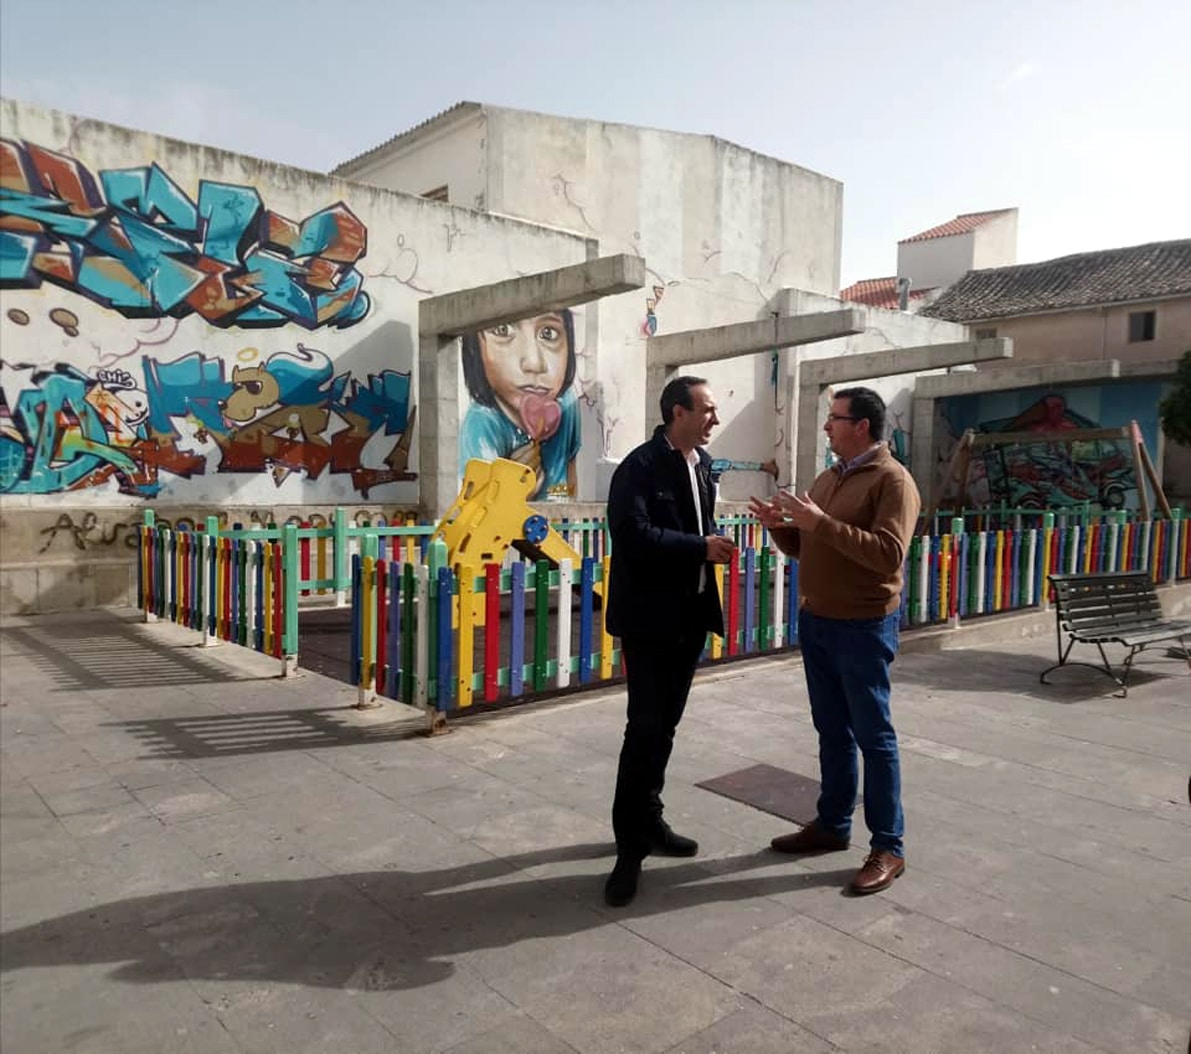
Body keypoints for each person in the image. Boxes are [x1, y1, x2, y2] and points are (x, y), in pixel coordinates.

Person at [749, 386, 920, 895]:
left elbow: (888, 554)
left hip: (863, 626)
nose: (827, 427)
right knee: (831, 730)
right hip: (819, 621)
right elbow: (809, 545)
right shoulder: (830, 477)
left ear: (862, 426)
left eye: (834, 419)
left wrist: (820, 522)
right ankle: (832, 824)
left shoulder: (893, 482)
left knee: (874, 736)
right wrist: (780, 529)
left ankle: (889, 845)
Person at [603, 375, 736, 907]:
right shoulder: (639, 467)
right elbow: (631, 537)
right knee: (645, 730)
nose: (714, 419)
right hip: (648, 621)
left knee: (666, 729)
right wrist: (700, 548)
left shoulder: (702, 467)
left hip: (688, 618)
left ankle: (650, 820)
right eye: (706, 409)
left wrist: (708, 550)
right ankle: (628, 851)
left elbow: (695, 530)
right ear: (677, 412)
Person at [459, 309, 581, 500]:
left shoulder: (567, 404)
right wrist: (514, 492)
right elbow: (478, 512)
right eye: (502, 330)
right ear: (475, 346)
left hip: (560, 526)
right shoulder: (481, 424)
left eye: (548, 333)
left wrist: (569, 514)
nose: (534, 363)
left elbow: (571, 474)